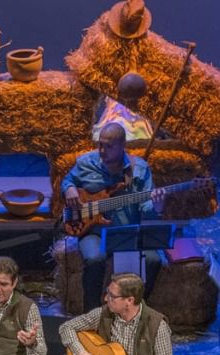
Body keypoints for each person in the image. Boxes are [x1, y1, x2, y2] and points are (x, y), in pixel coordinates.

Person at [60, 122, 168, 312]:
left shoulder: (140, 169)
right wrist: (69, 189)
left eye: (109, 146)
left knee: (153, 260)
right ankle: (91, 314)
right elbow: (68, 180)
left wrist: (157, 206)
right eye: (100, 144)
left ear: (122, 146)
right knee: (94, 259)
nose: (102, 150)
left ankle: (133, 311)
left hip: (127, 233)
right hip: (94, 231)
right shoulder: (85, 162)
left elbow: (146, 208)